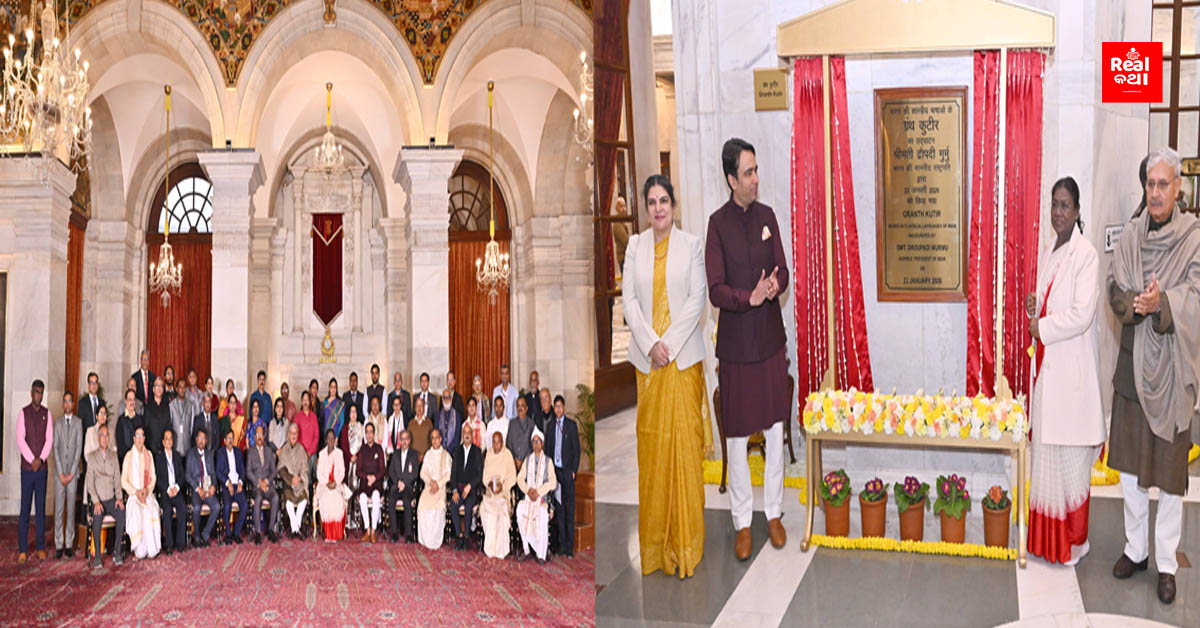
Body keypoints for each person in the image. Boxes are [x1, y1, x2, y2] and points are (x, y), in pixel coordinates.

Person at [1108, 147, 1200, 605]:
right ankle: (1135, 549)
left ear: (1178, 187)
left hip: (1172, 370)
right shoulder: (1130, 236)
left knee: (1166, 475)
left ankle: (1166, 562)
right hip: (1131, 367)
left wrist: (1161, 305)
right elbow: (1114, 286)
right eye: (1150, 184)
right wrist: (1133, 305)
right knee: (1129, 472)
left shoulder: (1193, 238)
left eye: (1164, 184)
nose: (1157, 192)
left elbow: (1196, 297)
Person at [705, 137, 791, 561]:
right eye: (748, 173)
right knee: (737, 437)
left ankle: (773, 512)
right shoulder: (716, 225)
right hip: (737, 347)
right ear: (730, 179)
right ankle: (742, 520)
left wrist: (776, 286)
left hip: (771, 342)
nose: (756, 179)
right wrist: (749, 298)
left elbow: (784, 270)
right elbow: (716, 289)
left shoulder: (768, 216)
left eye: (756, 171)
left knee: (775, 429)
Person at [624, 173, 712, 577]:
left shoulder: (692, 246)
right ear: (646, 209)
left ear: (673, 206)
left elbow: (697, 300)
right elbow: (629, 302)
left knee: (685, 452)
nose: (658, 208)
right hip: (649, 368)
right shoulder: (635, 247)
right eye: (652, 202)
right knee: (654, 453)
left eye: (664, 200)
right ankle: (657, 548)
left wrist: (669, 346)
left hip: (681, 363)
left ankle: (687, 543)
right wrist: (650, 344)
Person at [1025, 176, 1106, 567]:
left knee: (1071, 464)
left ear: (1077, 211)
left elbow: (1081, 315)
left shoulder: (1086, 254)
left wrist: (1042, 326)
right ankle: (1045, 542)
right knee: (1046, 457)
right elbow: (1050, 301)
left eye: (1065, 205)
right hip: (1047, 374)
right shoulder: (1051, 250)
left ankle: (1073, 543)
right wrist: (1034, 305)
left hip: (1070, 377)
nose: (1058, 212)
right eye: (1054, 205)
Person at [17, 380, 52, 563]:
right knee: (25, 510)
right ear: (31, 393)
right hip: (27, 469)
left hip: (42, 469)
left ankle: (40, 547)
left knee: (40, 510)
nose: (38, 395)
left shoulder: (47, 414)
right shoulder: (23, 413)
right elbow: (20, 440)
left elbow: (49, 439)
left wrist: (41, 459)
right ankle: (23, 549)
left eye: (41, 392)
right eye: (36, 392)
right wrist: (32, 460)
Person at [85, 424, 126, 568]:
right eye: (102, 435)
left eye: (107, 435)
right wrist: (95, 501)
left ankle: (117, 551)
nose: (104, 438)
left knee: (121, 512)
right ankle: (97, 557)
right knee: (97, 517)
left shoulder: (114, 456)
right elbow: (89, 483)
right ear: (98, 438)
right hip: (99, 500)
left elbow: (117, 479)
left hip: (111, 499)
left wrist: (119, 498)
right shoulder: (92, 457)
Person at [543, 395, 580, 556]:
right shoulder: (550, 426)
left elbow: (576, 450)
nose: (558, 409)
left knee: (569, 509)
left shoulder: (571, 425)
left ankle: (569, 547)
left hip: (567, 473)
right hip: (556, 474)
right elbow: (548, 451)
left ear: (564, 408)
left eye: (560, 406)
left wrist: (573, 471)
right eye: (555, 406)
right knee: (559, 509)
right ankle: (561, 546)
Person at [121, 426, 161, 560]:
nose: (139, 438)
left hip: (147, 493)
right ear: (133, 438)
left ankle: (151, 549)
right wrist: (136, 492)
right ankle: (139, 551)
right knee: (136, 512)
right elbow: (123, 480)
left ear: (144, 438)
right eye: (137, 435)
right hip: (133, 496)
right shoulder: (128, 456)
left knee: (151, 510)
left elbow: (153, 477)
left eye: (142, 435)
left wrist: (146, 490)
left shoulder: (148, 455)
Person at [516, 428, 556, 563]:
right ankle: (526, 548)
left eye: (538, 441)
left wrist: (538, 492)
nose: (536, 444)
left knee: (542, 514)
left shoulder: (548, 461)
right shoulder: (528, 460)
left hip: (541, 499)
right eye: (534, 442)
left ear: (542, 443)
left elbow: (553, 481)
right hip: (529, 497)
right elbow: (519, 479)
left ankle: (540, 553)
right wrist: (528, 490)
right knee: (520, 510)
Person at [53, 391, 82, 559]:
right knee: (58, 510)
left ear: (73, 404)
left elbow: (78, 448)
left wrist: (71, 473)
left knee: (71, 510)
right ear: (63, 404)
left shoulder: (79, 423)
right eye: (65, 401)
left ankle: (69, 544)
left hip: (73, 474)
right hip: (59, 474)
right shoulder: (57, 423)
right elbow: (55, 448)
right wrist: (61, 472)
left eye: (70, 401)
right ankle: (58, 544)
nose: (67, 404)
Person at [480, 426, 516, 558]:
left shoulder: (507, 455)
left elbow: (513, 477)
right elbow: (485, 477)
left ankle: (500, 550)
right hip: (490, 494)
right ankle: (490, 549)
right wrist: (489, 483)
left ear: (503, 442)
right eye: (494, 442)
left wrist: (503, 486)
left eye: (499, 442)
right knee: (485, 509)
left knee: (500, 512)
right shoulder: (489, 454)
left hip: (503, 494)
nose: (496, 445)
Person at [417, 428, 453, 550]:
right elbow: (423, 472)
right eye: (432, 438)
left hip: (441, 488)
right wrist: (431, 482)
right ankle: (425, 539)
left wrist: (438, 484)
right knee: (422, 504)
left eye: (437, 437)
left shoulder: (446, 455)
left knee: (437, 508)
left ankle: (434, 540)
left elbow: (449, 474)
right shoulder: (428, 454)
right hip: (429, 487)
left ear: (441, 439)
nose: (435, 440)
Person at [449, 426, 483, 550]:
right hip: (458, 489)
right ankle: (459, 536)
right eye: (465, 433)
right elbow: (453, 473)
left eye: (469, 433)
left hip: (471, 489)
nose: (467, 435)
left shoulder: (477, 451)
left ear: (472, 435)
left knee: (469, 507)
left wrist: (470, 486)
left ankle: (467, 537)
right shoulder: (457, 450)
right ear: (462, 435)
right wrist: (454, 491)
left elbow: (480, 474)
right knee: (453, 505)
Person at [156, 428, 188, 555]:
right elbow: (158, 477)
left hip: (176, 490)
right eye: (166, 439)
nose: (169, 441)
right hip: (166, 491)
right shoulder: (159, 457)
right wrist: (169, 489)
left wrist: (177, 488)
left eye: (171, 439)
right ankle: (169, 544)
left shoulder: (177, 455)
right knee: (167, 511)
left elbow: (182, 476)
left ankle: (180, 543)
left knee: (183, 508)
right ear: (163, 442)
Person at [247, 423, 280, 544]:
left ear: (264, 436)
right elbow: (248, 472)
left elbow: (274, 471)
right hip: (257, 487)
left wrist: (266, 482)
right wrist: (258, 483)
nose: (260, 437)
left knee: (276, 497)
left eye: (262, 434)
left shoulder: (269, 451)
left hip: (268, 485)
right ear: (254, 437)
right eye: (257, 434)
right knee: (259, 498)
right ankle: (258, 532)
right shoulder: (250, 452)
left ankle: (271, 530)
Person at [186, 428, 220, 547]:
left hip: (208, 488)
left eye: (203, 438)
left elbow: (214, 475)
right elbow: (188, 475)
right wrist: (197, 488)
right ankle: (196, 537)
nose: (201, 441)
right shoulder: (190, 454)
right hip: (197, 490)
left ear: (206, 441)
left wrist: (213, 486)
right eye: (199, 438)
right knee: (196, 508)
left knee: (216, 506)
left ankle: (205, 535)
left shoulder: (210, 454)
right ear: (196, 440)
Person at [316, 429, 350, 541]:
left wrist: (335, 482)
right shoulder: (321, 453)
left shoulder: (339, 453)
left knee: (337, 500)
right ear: (326, 440)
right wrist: (327, 483)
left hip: (336, 485)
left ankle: (335, 534)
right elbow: (319, 473)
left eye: (332, 438)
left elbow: (342, 472)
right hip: (324, 485)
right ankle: (328, 534)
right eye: (328, 438)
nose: (330, 441)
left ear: (335, 440)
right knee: (326, 499)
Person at [276, 423, 310, 538]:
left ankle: (295, 527)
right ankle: (297, 529)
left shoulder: (301, 449)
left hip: (299, 483)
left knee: (304, 500)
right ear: (288, 434)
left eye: (295, 433)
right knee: (289, 503)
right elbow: (281, 469)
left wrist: (299, 478)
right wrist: (291, 480)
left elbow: (305, 468)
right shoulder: (284, 450)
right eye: (291, 433)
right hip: (288, 484)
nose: (293, 436)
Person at [386, 429, 420, 542]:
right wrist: (398, 482)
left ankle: (409, 534)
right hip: (396, 486)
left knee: (406, 502)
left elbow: (415, 473)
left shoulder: (414, 454)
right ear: (400, 441)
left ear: (409, 440)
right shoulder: (395, 454)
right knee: (391, 501)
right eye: (402, 439)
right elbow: (391, 472)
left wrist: (404, 483)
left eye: (406, 439)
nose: (404, 441)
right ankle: (394, 532)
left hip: (408, 487)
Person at [216, 429, 249, 544]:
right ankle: (228, 534)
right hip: (227, 486)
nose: (230, 441)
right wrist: (227, 483)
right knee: (227, 506)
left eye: (232, 438)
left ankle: (236, 532)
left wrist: (240, 482)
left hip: (237, 485)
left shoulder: (238, 452)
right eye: (228, 438)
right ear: (224, 441)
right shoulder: (220, 453)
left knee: (245, 505)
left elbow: (243, 471)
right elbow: (219, 472)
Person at [356, 422, 386, 542]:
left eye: (371, 432)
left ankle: (373, 529)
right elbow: (358, 471)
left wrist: (374, 478)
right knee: (362, 498)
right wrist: (367, 477)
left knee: (376, 496)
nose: (369, 435)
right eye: (367, 432)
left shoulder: (379, 449)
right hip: (364, 483)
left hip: (377, 483)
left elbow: (383, 469)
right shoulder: (362, 450)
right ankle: (367, 528)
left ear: (374, 434)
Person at [143, 378, 171, 454]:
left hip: (164, 449)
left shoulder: (167, 407)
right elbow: (145, 428)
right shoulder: (147, 407)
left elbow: (168, 426)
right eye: (157, 385)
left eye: (161, 386)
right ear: (153, 389)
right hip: (150, 449)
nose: (159, 388)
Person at [507, 396, 536, 471]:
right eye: (518, 406)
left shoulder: (531, 424)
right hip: (512, 464)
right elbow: (508, 444)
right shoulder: (512, 423)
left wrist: (523, 461)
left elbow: (532, 447)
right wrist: (515, 459)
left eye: (522, 405)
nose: (520, 408)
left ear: (526, 408)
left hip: (527, 465)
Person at [341, 404, 365, 489]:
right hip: (347, 459)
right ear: (348, 414)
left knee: (357, 484)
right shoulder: (344, 428)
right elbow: (343, 445)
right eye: (351, 412)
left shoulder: (361, 427)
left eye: (355, 411)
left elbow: (363, 445)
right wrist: (350, 456)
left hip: (358, 459)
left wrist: (357, 456)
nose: (353, 414)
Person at [115, 389, 142, 467]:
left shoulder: (140, 419)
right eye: (130, 399)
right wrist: (129, 457)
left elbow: (142, 440)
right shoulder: (120, 420)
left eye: (133, 400)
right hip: (125, 461)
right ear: (125, 401)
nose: (132, 402)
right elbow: (120, 443)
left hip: (138, 460)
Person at [169, 380, 194, 458]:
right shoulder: (171, 405)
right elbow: (170, 424)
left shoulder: (190, 405)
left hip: (187, 447)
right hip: (176, 447)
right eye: (180, 387)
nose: (182, 390)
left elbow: (191, 427)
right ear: (176, 389)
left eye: (184, 387)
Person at [435, 389, 461, 455]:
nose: (446, 400)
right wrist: (442, 449)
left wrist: (449, 450)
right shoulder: (437, 415)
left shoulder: (457, 415)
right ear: (442, 399)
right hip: (439, 451)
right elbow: (436, 434)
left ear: (451, 399)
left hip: (453, 452)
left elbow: (457, 436)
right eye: (444, 397)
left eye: (448, 397)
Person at [295, 391, 320, 459]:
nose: (305, 402)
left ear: (310, 402)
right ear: (301, 401)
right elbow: (296, 436)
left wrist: (309, 452)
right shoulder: (297, 417)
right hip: (300, 452)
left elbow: (316, 436)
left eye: (307, 400)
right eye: (304, 400)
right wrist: (302, 451)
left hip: (312, 453)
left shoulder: (314, 417)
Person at [248, 371, 272, 437]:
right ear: (257, 381)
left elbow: (270, 414)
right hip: (254, 429)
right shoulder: (253, 396)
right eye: (260, 379)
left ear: (265, 382)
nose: (261, 382)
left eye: (263, 380)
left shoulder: (268, 397)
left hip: (265, 429)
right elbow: (250, 414)